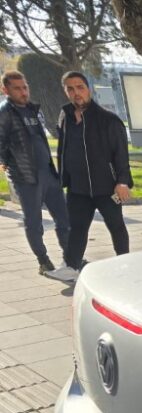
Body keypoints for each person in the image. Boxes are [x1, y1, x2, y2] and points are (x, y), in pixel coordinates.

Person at [52, 70, 132, 282]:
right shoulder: (65, 117)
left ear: (89, 89)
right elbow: (63, 149)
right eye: (70, 89)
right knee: (77, 228)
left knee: (116, 226)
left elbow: (121, 154)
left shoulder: (108, 120)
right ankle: (71, 267)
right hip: (78, 188)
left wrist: (122, 182)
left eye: (80, 87)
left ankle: (125, 263)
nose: (76, 93)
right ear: (66, 92)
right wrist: (63, 178)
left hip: (107, 187)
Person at [0, 70, 70, 275]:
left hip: (48, 173)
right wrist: (6, 163)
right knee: (34, 222)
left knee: (64, 218)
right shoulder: (4, 112)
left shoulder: (32, 109)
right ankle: (43, 260)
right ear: (5, 90)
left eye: (25, 87)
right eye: (17, 88)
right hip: (26, 177)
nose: (23, 92)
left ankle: (71, 257)